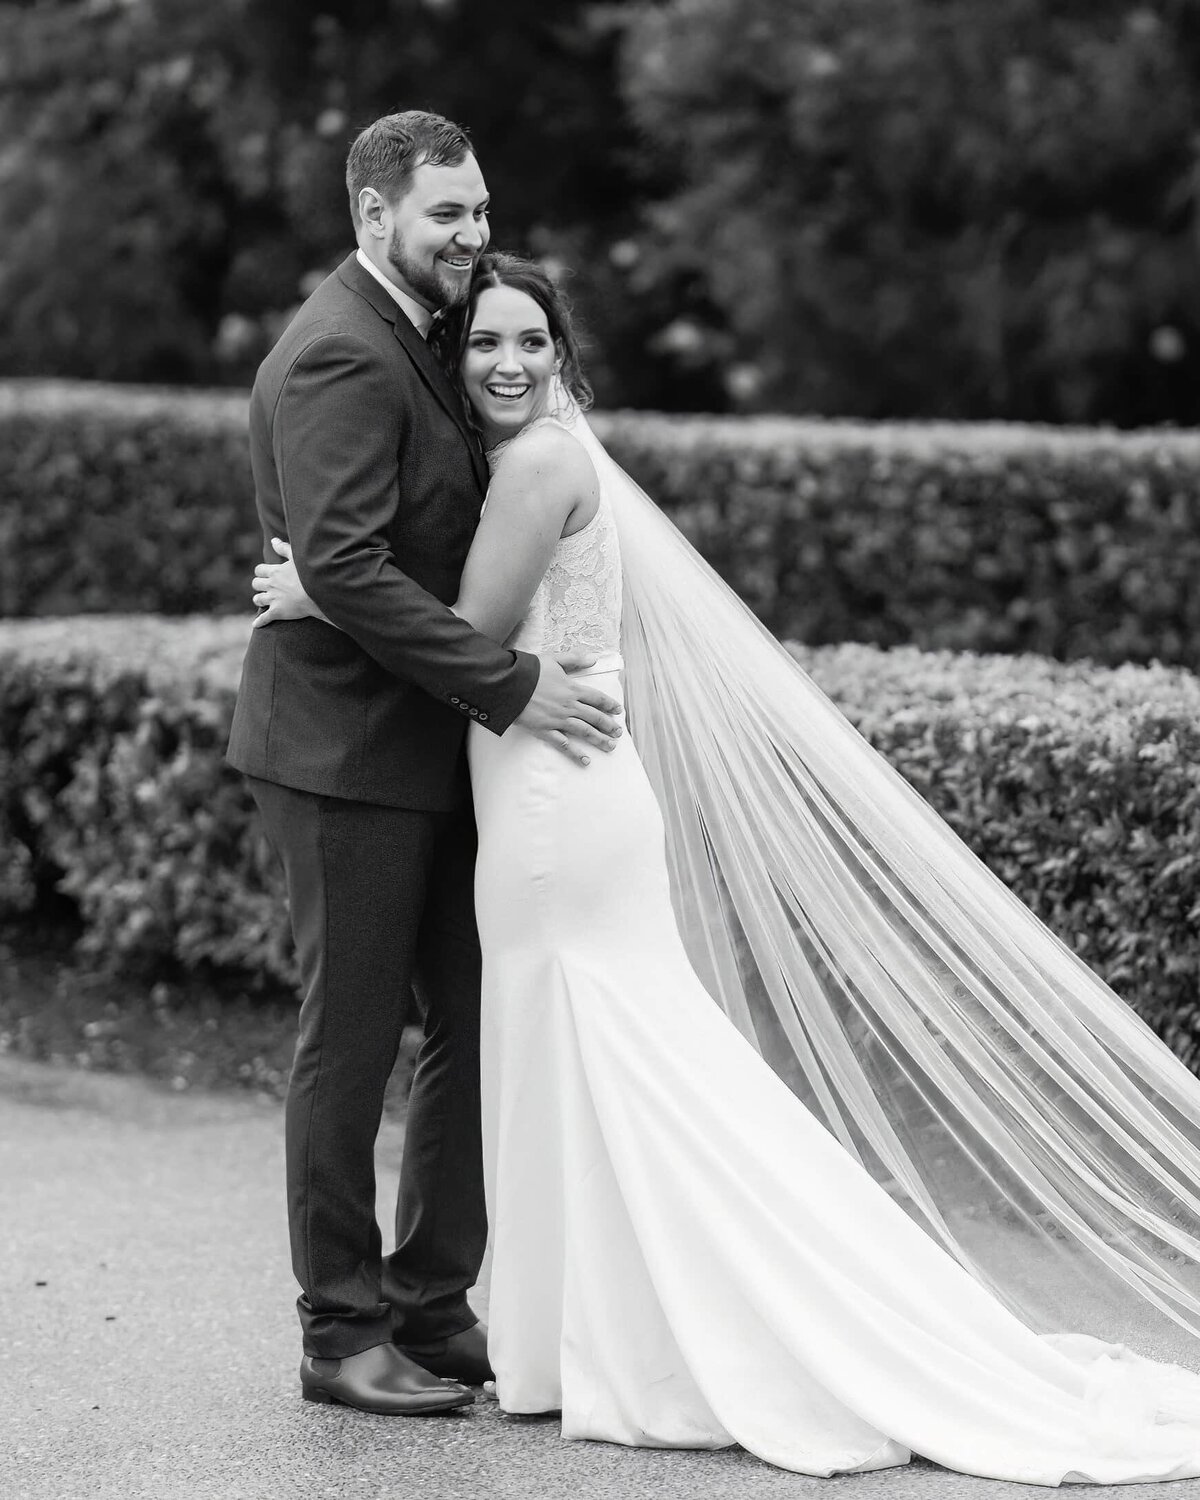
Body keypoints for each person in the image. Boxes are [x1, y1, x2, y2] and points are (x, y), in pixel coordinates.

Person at [250, 251, 1200, 1482]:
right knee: (568, 1051)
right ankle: (536, 1324)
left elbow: (470, 630)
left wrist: (321, 592)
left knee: (609, 1051)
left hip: (554, 796)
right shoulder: (523, 455)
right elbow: (458, 590)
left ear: (565, 354)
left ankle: (650, 1324)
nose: (507, 362)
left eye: (532, 342)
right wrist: (346, 578)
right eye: (485, 342)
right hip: (545, 782)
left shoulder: (540, 460)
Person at [226, 115, 623, 1418]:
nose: (472, 232)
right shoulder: (343, 348)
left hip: (443, 746)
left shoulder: (438, 331)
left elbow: (407, 543)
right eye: (445, 213)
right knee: (350, 1042)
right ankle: (339, 1333)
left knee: (469, 1022)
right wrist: (507, 682)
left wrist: (335, 598)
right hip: (348, 752)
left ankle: (433, 1304)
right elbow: (341, 560)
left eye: (479, 208)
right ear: (372, 217)